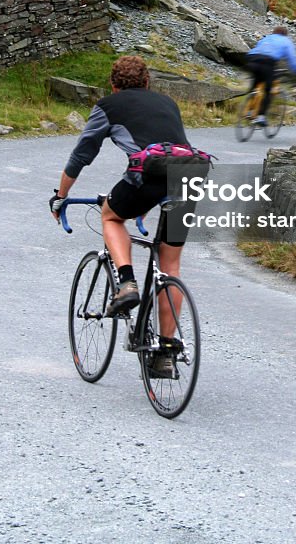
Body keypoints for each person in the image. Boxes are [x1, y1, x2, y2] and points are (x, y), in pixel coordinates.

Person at [50, 55, 198, 377]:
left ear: (113, 86)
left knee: (112, 217)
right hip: (191, 177)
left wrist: (60, 197)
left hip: (148, 177)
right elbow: (167, 150)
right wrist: (146, 205)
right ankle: (165, 353)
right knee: (170, 266)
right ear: (148, 83)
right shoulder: (168, 102)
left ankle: (127, 283)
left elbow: (82, 155)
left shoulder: (109, 105)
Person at [245, 25, 296, 124]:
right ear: (285, 34)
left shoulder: (267, 38)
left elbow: (257, 48)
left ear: (274, 32)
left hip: (251, 59)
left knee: (256, 84)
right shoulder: (286, 41)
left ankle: (249, 109)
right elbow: (292, 61)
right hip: (267, 62)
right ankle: (261, 117)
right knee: (268, 90)